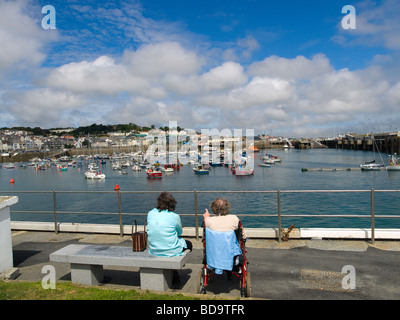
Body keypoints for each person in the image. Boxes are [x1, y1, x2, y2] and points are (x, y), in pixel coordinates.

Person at [147, 192, 192, 257]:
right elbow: (179, 233)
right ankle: (179, 263)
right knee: (189, 244)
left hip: (154, 250)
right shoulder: (175, 216)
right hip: (171, 250)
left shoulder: (150, 213)